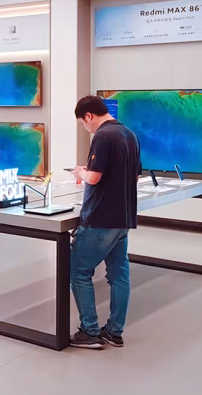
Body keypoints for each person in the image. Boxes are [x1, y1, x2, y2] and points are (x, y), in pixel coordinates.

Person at [70, 95, 141, 350]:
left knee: (78, 272)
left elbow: (94, 178)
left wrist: (81, 172)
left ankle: (89, 331)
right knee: (119, 275)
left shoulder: (102, 136)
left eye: (83, 123)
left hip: (100, 219)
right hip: (123, 218)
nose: (85, 127)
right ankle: (114, 331)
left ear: (89, 116)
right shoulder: (129, 134)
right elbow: (134, 177)